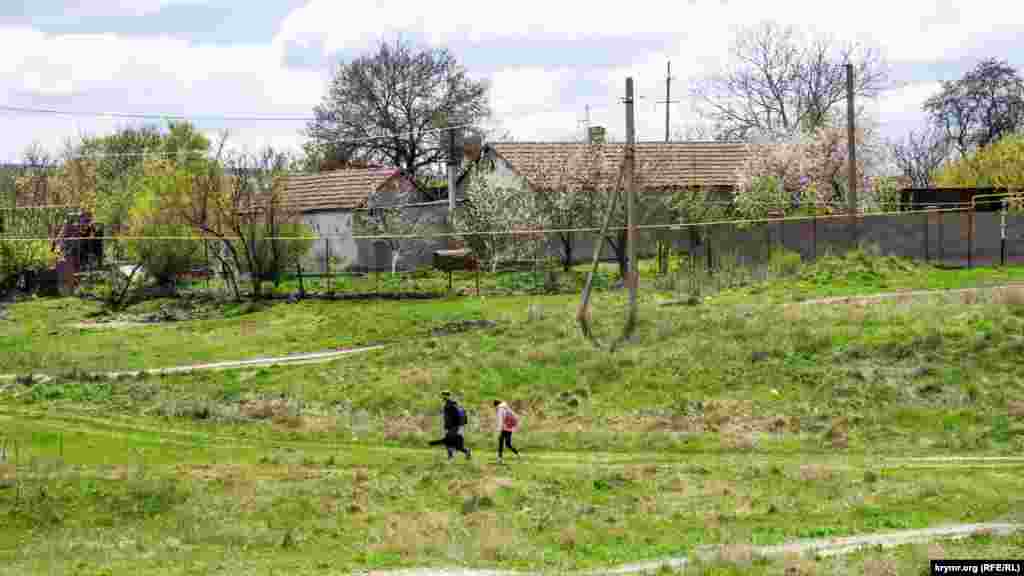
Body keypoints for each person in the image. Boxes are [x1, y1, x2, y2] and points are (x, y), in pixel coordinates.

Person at [428, 391, 470, 461]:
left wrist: (455, 426)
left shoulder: (451, 405)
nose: (442, 397)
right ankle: (465, 452)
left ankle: (451, 457)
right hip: (453, 427)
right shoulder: (452, 404)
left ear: (446, 396)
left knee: (449, 442)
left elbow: (455, 416)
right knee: (455, 445)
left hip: (454, 427)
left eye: (443, 396)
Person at [494, 399, 520, 463]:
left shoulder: (500, 409)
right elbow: (515, 417)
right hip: (509, 428)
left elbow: (500, 420)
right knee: (507, 444)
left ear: (496, 405)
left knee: (501, 443)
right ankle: (517, 453)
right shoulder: (506, 407)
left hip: (504, 428)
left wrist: (498, 430)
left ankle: (500, 458)